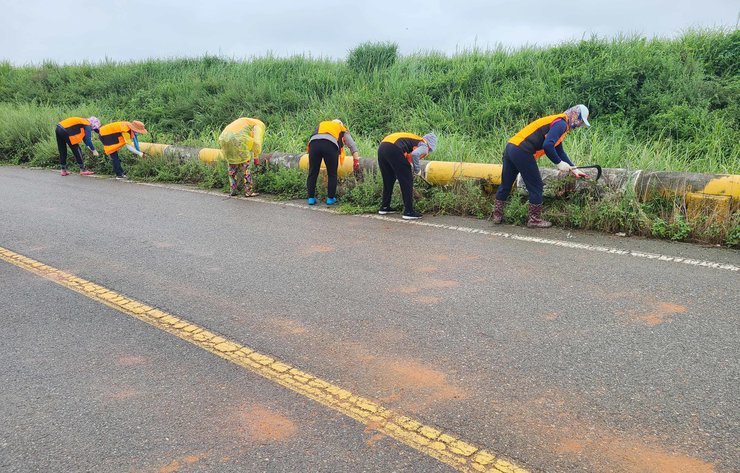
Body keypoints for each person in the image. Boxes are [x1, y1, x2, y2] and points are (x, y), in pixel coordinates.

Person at [492, 105, 590, 228]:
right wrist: (559, 163)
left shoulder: (558, 122)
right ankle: (534, 219)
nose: (578, 126)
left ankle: (497, 215)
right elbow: (548, 145)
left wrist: (574, 169)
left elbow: (559, 151)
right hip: (523, 150)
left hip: (511, 147)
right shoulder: (561, 124)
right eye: (580, 122)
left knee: (506, 184)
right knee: (536, 186)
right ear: (575, 115)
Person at [377, 132, 437, 220]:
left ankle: (385, 207)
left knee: (389, 179)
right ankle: (409, 211)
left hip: (382, 147)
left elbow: (405, 158)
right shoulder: (424, 145)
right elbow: (415, 154)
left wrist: (404, 172)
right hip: (394, 148)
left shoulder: (413, 140)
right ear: (431, 145)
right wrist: (417, 170)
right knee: (407, 180)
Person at [306, 119, 360, 205]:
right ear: (341, 124)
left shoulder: (322, 124)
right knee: (332, 173)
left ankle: (311, 199)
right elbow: (352, 145)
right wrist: (356, 160)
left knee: (312, 172)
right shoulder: (341, 128)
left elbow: (313, 136)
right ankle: (330, 199)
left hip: (314, 144)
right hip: (329, 145)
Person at [218, 117, 265, 197]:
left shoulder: (246, 121)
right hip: (238, 139)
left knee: (232, 167)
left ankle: (233, 190)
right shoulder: (259, 125)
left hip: (223, 138)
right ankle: (248, 191)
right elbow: (257, 142)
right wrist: (256, 157)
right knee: (245, 168)